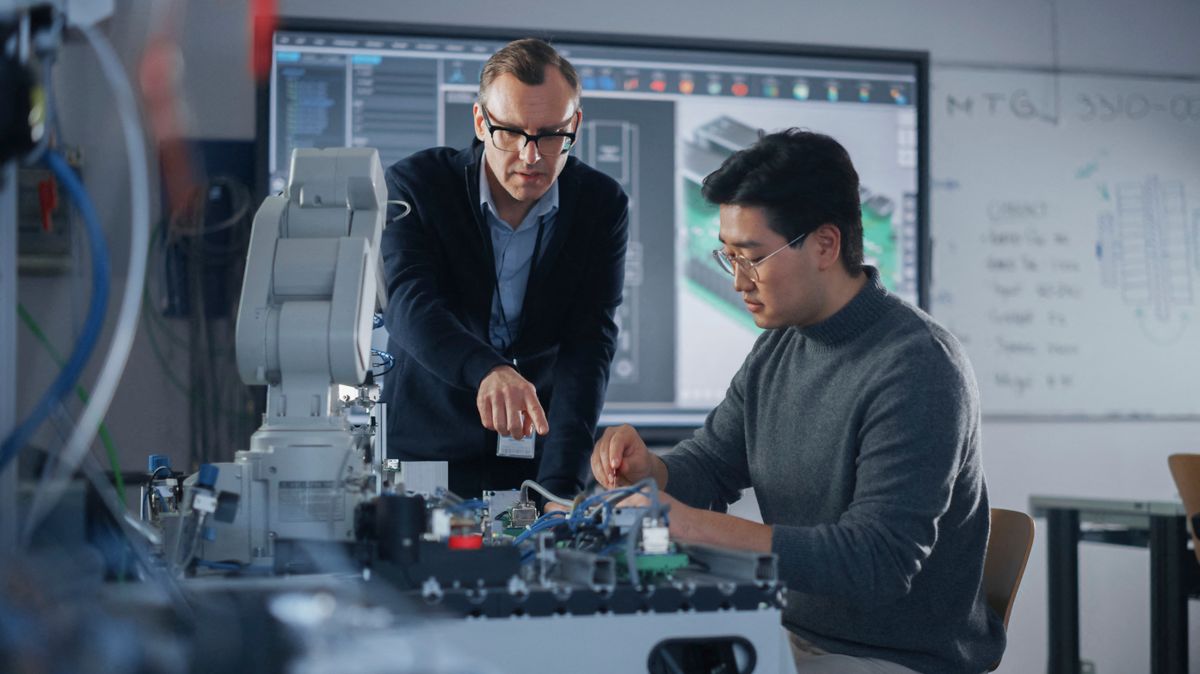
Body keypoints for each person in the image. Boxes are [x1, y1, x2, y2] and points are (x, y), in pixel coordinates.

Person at [591, 130, 1006, 673]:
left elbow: (876, 563)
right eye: (727, 256)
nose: (738, 280)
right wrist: (654, 471)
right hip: (791, 635)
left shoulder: (918, 366)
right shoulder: (780, 346)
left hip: (894, 660)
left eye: (752, 257)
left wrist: (685, 524)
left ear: (825, 245)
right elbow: (714, 463)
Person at [380, 39, 629, 502]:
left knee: (535, 559)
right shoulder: (416, 185)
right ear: (480, 121)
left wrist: (560, 488)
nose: (530, 156)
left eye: (551, 134)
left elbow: (587, 346)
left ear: (575, 124)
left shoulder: (600, 205)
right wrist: (488, 370)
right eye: (510, 132)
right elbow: (407, 301)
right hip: (423, 448)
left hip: (531, 456)